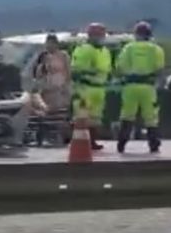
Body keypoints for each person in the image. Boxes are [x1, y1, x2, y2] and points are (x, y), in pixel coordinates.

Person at [115, 21, 165, 153]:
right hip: (148, 87)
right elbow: (159, 69)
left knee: (127, 115)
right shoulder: (156, 49)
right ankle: (153, 144)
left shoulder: (128, 48)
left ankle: (121, 143)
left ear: (136, 34)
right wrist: (159, 83)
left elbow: (120, 67)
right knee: (151, 117)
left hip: (130, 87)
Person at [71, 23, 112, 150]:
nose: (102, 37)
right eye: (100, 35)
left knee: (96, 118)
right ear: (91, 35)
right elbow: (76, 70)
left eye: (103, 35)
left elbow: (107, 69)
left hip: (99, 88)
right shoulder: (83, 49)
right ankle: (78, 143)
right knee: (82, 117)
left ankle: (92, 142)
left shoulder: (104, 51)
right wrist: (91, 72)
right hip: (85, 88)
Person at [33, 33, 71, 145]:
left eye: (51, 43)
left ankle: (62, 137)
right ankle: (45, 137)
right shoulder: (43, 56)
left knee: (61, 113)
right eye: (47, 43)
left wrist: (66, 87)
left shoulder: (63, 55)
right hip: (47, 88)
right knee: (46, 113)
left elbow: (68, 72)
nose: (49, 46)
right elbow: (38, 73)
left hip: (60, 87)